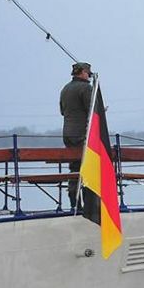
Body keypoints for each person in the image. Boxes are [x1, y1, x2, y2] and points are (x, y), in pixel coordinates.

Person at [60, 62, 93, 210]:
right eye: (88, 73)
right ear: (82, 72)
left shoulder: (65, 88)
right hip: (82, 135)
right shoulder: (86, 88)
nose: (89, 76)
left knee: (74, 168)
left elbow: (62, 111)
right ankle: (88, 206)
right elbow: (92, 110)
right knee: (88, 169)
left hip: (67, 135)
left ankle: (74, 203)